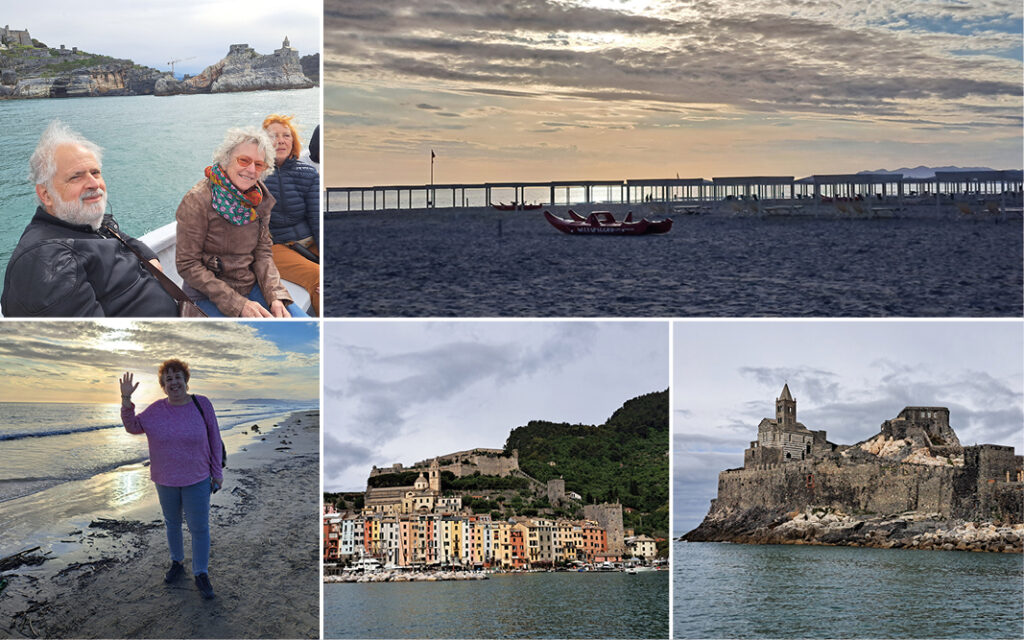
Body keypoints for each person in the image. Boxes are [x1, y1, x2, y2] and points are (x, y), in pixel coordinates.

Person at [1, 120, 177, 317]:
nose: (94, 184)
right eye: (76, 176)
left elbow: (119, 235)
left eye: (95, 172)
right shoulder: (49, 262)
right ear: (46, 195)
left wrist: (149, 256)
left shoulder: (82, 223)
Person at [175, 126, 308, 317]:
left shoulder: (261, 199)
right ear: (227, 159)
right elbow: (188, 264)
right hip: (207, 294)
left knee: (303, 326)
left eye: (259, 164)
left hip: (248, 284)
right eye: (244, 160)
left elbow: (262, 252)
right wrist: (239, 305)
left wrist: (275, 295)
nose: (251, 170)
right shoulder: (198, 200)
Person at [120, 360, 222, 600]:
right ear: (163, 386)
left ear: (186, 381)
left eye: (177, 377)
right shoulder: (155, 410)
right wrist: (126, 399)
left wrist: (217, 472)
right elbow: (132, 426)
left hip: (197, 477)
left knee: (199, 527)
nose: (174, 382)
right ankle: (177, 562)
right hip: (165, 479)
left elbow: (214, 439)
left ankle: (201, 573)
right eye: (168, 379)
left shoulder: (202, 404)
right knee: (172, 523)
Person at [262, 114, 320, 315]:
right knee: (319, 277)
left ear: (293, 140)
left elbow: (317, 218)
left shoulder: (308, 173)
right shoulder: (254, 175)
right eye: (273, 136)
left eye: (286, 135)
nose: (280, 141)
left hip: (309, 240)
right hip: (278, 246)